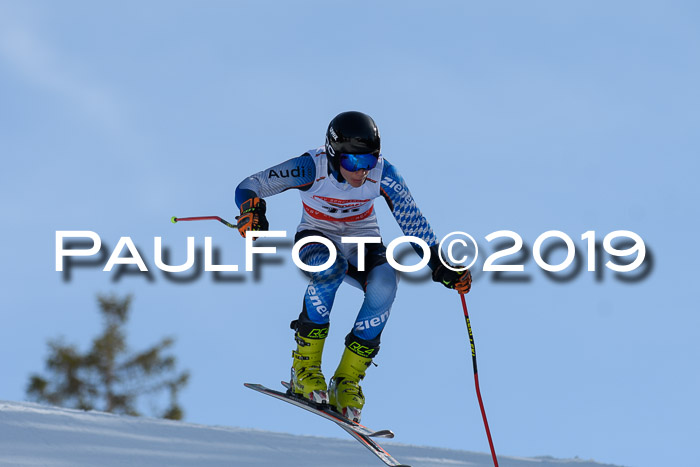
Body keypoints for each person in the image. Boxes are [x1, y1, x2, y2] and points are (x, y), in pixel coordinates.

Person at [234, 111, 471, 422]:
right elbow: (251, 184)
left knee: (387, 281)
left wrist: (441, 263)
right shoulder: (310, 167)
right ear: (333, 155)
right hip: (317, 238)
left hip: (363, 242)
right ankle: (304, 367)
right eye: (352, 163)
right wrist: (252, 209)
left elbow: (413, 223)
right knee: (330, 269)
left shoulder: (385, 174)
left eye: (368, 162)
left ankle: (347, 380)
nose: (361, 172)